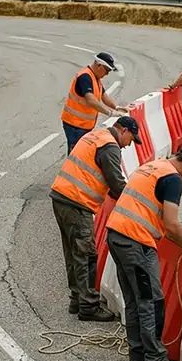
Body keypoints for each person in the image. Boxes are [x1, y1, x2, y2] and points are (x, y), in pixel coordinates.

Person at [105, 144, 182, 361]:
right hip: (135, 241)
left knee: (133, 298)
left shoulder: (153, 166)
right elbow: (171, 224)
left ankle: (138, 355)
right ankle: (155, 359)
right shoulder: (173, 179)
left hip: (117, 234)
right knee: (151, 300)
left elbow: (153, 210)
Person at [49, 116, 141, 321]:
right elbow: (117, 183)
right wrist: (136, 208)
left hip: (61, 197)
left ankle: (77, 298)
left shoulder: (96, 135)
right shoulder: (110, 147)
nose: (128, 146)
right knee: (86, 254)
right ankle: (88, 306)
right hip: (76, 202)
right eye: (131, 140)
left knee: (73, 252)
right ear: (124, 131)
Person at [61, 51, 127, 153]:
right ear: (99, 65)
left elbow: (103, 96)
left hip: (83, 125)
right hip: (74, 125)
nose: (107, 74)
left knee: (81, 152)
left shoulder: (96, 78)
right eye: (107, 70)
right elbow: (91, 100)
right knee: (76, 153)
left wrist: (116, 107)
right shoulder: (85, 77)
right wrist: (110, 113)